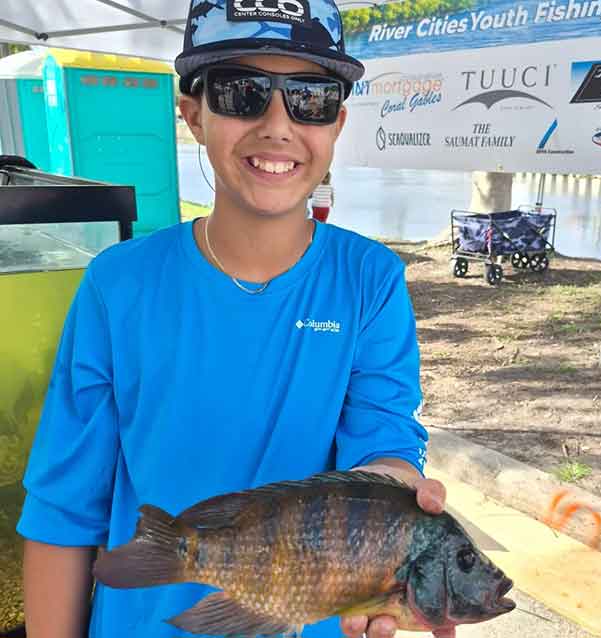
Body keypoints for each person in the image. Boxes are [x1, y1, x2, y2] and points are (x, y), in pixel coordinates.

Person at [16, 2, 450, 638]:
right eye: (242, 92)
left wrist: (394, 491)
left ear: (337, 123)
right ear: (193, 113)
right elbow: (63, 508)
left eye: (311, 98)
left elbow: (383, 435)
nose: (278, 126)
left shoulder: (371, 280)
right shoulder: (117, 283)